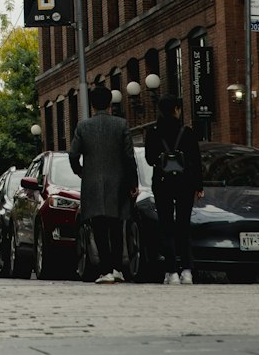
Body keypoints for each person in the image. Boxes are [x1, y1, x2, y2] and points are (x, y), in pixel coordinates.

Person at [68, 85, 138, 284]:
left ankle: (105, 270)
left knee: (98, 227)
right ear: (110, 104)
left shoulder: (83, 127)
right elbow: (128, 156)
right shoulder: (122, 125)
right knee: (117, 226)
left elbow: (73, 154)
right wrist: (133, 182)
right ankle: (117, 268)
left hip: (92, 184)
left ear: (91, 105)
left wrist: (80, 171)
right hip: (118, 183)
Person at [144, 94, 204, 284]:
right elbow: (195, 160)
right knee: (184, 225)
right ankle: (187, 271)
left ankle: (172, 272)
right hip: (185, 183)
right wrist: (198, 186)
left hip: (162, 183)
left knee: (166, 226)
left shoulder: (153, 132)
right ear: (176, 110)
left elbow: (150, 159)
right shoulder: (187, 131)